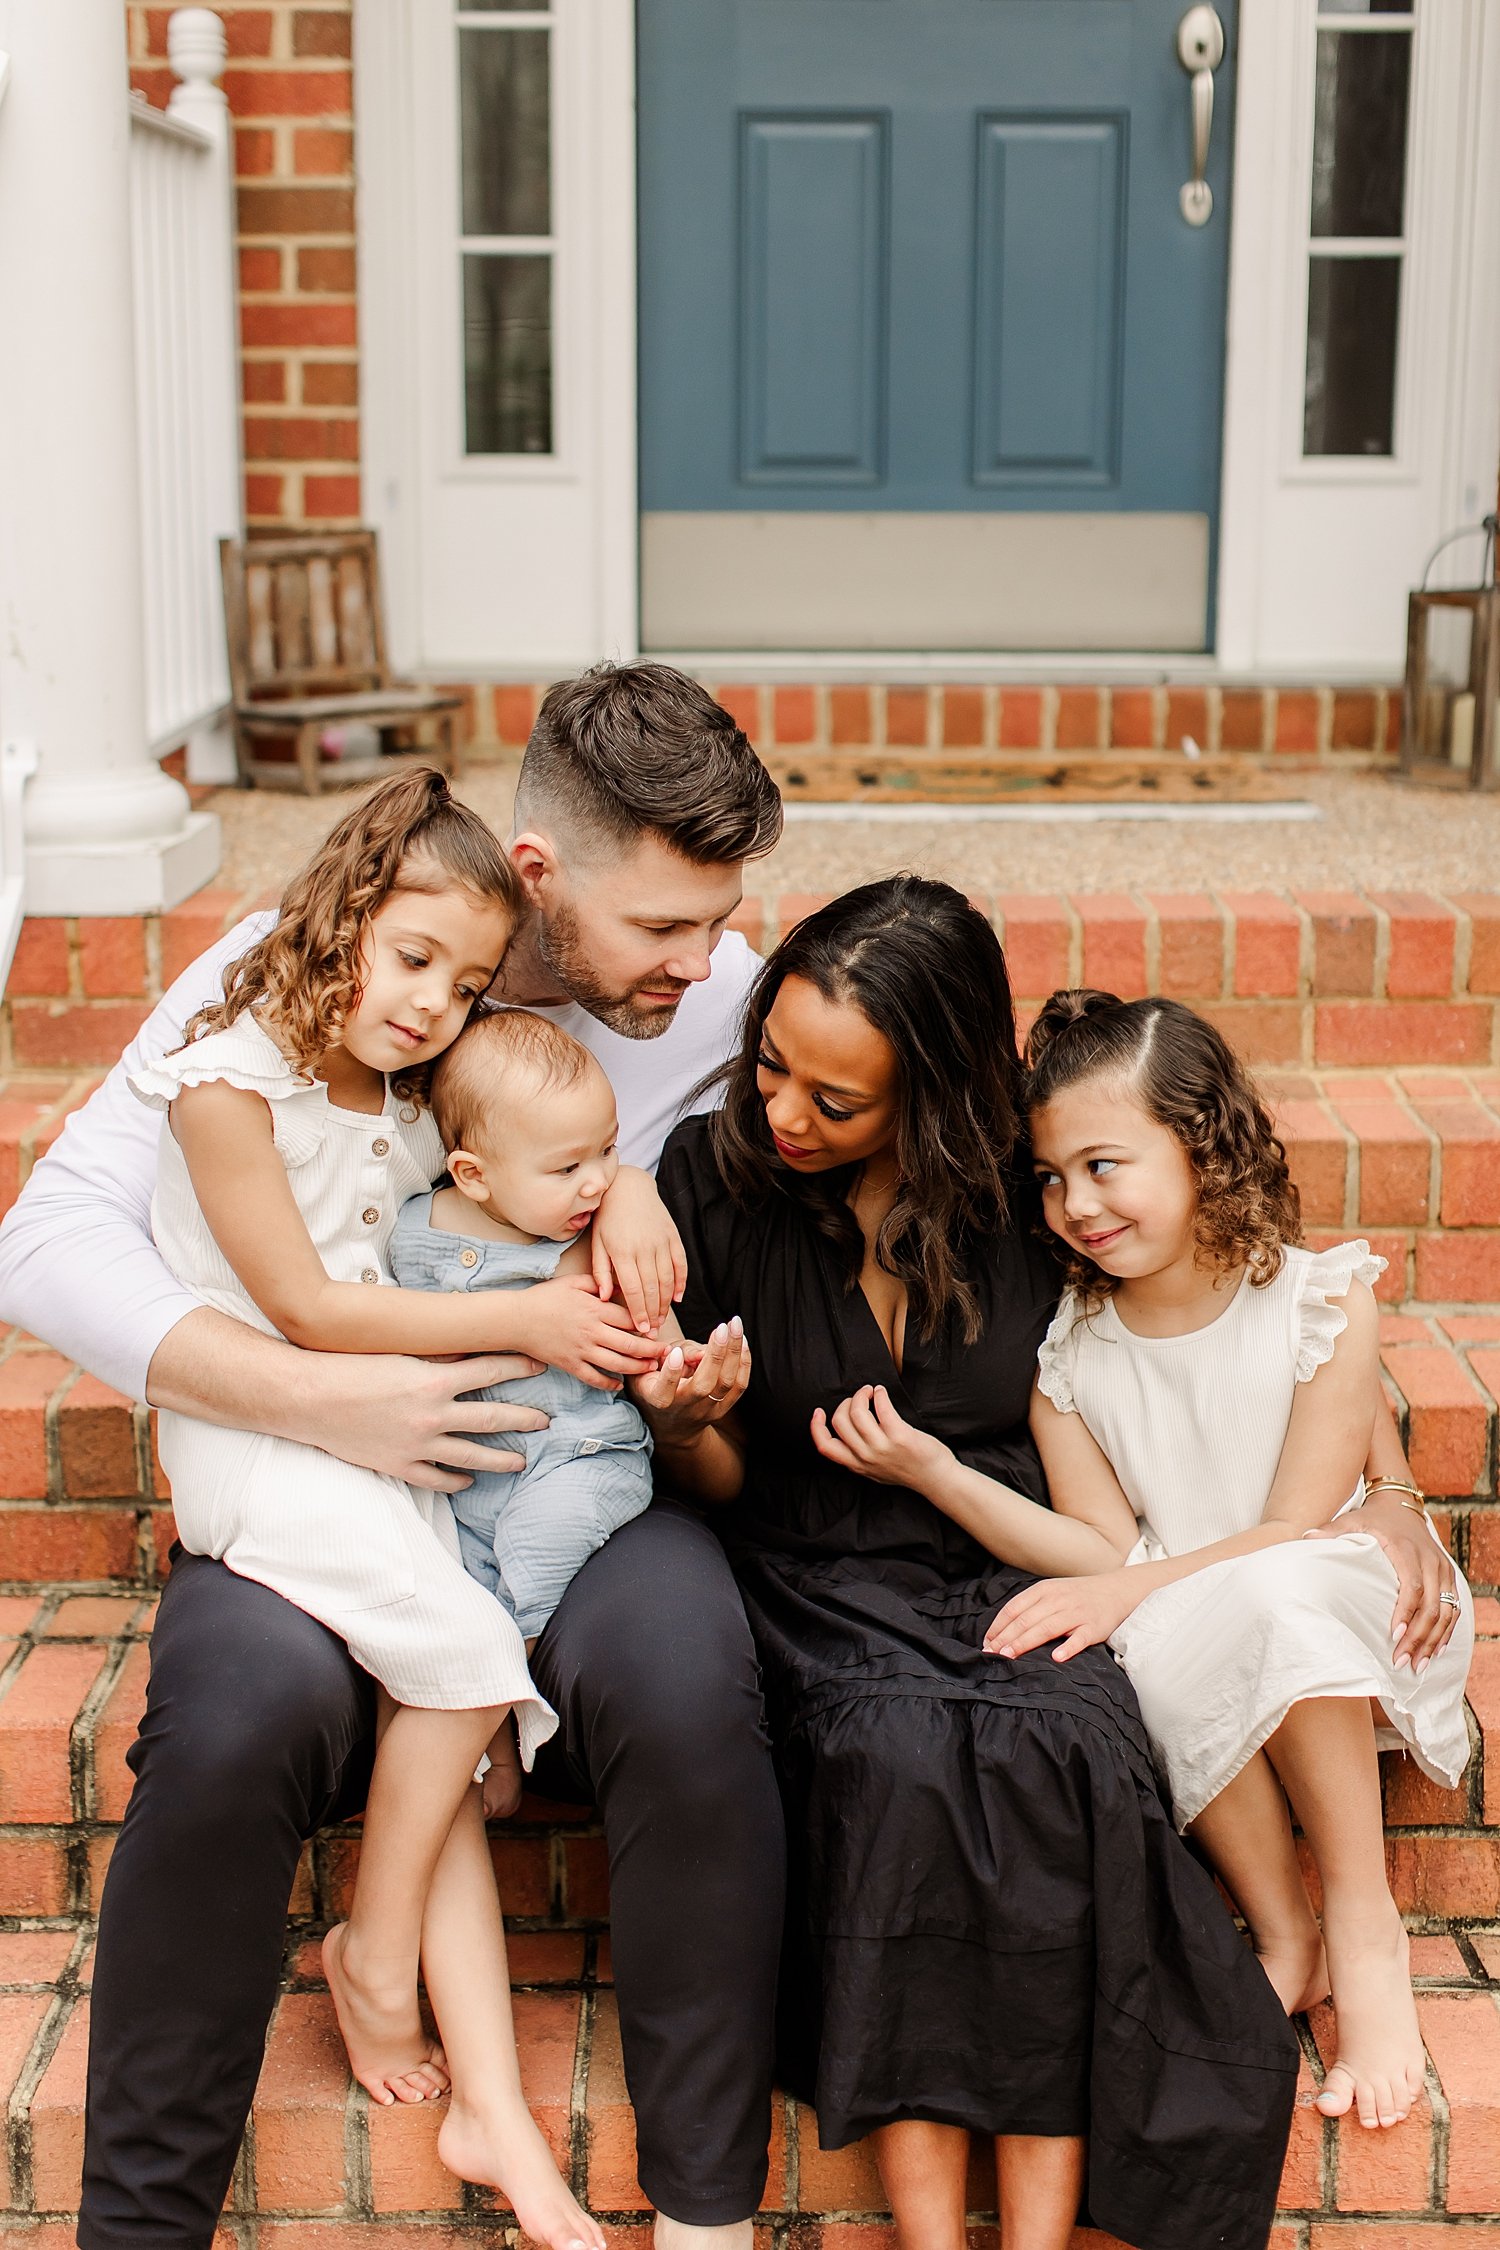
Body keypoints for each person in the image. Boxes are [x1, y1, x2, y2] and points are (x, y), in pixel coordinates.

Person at [0, 663, 787, 2250]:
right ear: (543, 884)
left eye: (717, 924)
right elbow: (48, 1243)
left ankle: (705, 2209)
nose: (700, 967)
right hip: (325, 1450)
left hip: (571, 1467)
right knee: (236, 1719)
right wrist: (315, 1400)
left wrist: (636, 1189)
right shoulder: (309, 969)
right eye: (661, 931)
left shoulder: (721, 994)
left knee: (692, 1676)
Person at [642, 877, 1302, 2250]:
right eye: (773, 1064)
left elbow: (1224, 1321)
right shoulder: (713, 1184)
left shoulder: (1029, 1194)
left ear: (934, 1091)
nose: (784, 1114)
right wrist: (686, 1418)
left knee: (1058, 1743)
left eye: (838, 1099)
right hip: (809, 1574)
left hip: (1014, 1555)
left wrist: (1390, 1489)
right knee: (894, 1761)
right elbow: (708, 1485)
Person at [977, 991, 1474, 2137]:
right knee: (1130, 1653)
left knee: (1268, 1590)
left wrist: (1121, 1588)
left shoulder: (1319, 1301)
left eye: (1105, 1164)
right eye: (1051, 1178)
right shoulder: (1073, 1356)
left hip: (1345, 1589)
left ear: (1202, 1142)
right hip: (1188, 1599)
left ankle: (1362, 1920)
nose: (1075, 1205)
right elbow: (1112, 1548)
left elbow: (1297, 1531)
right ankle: (1282, 1932)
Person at [389, 1008, 657, 1814]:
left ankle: (533, 1731)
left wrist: (677, 1366)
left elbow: (650, 1337)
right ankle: (496, 1741)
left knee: (533, 1562)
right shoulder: (411, 1237)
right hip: (470, 1481)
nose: (596, 1181)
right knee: (460, 1596)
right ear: (473, 1175)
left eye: (608, 1150)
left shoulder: (591, 1237)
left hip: (581, 1456)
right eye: (567, 1165)